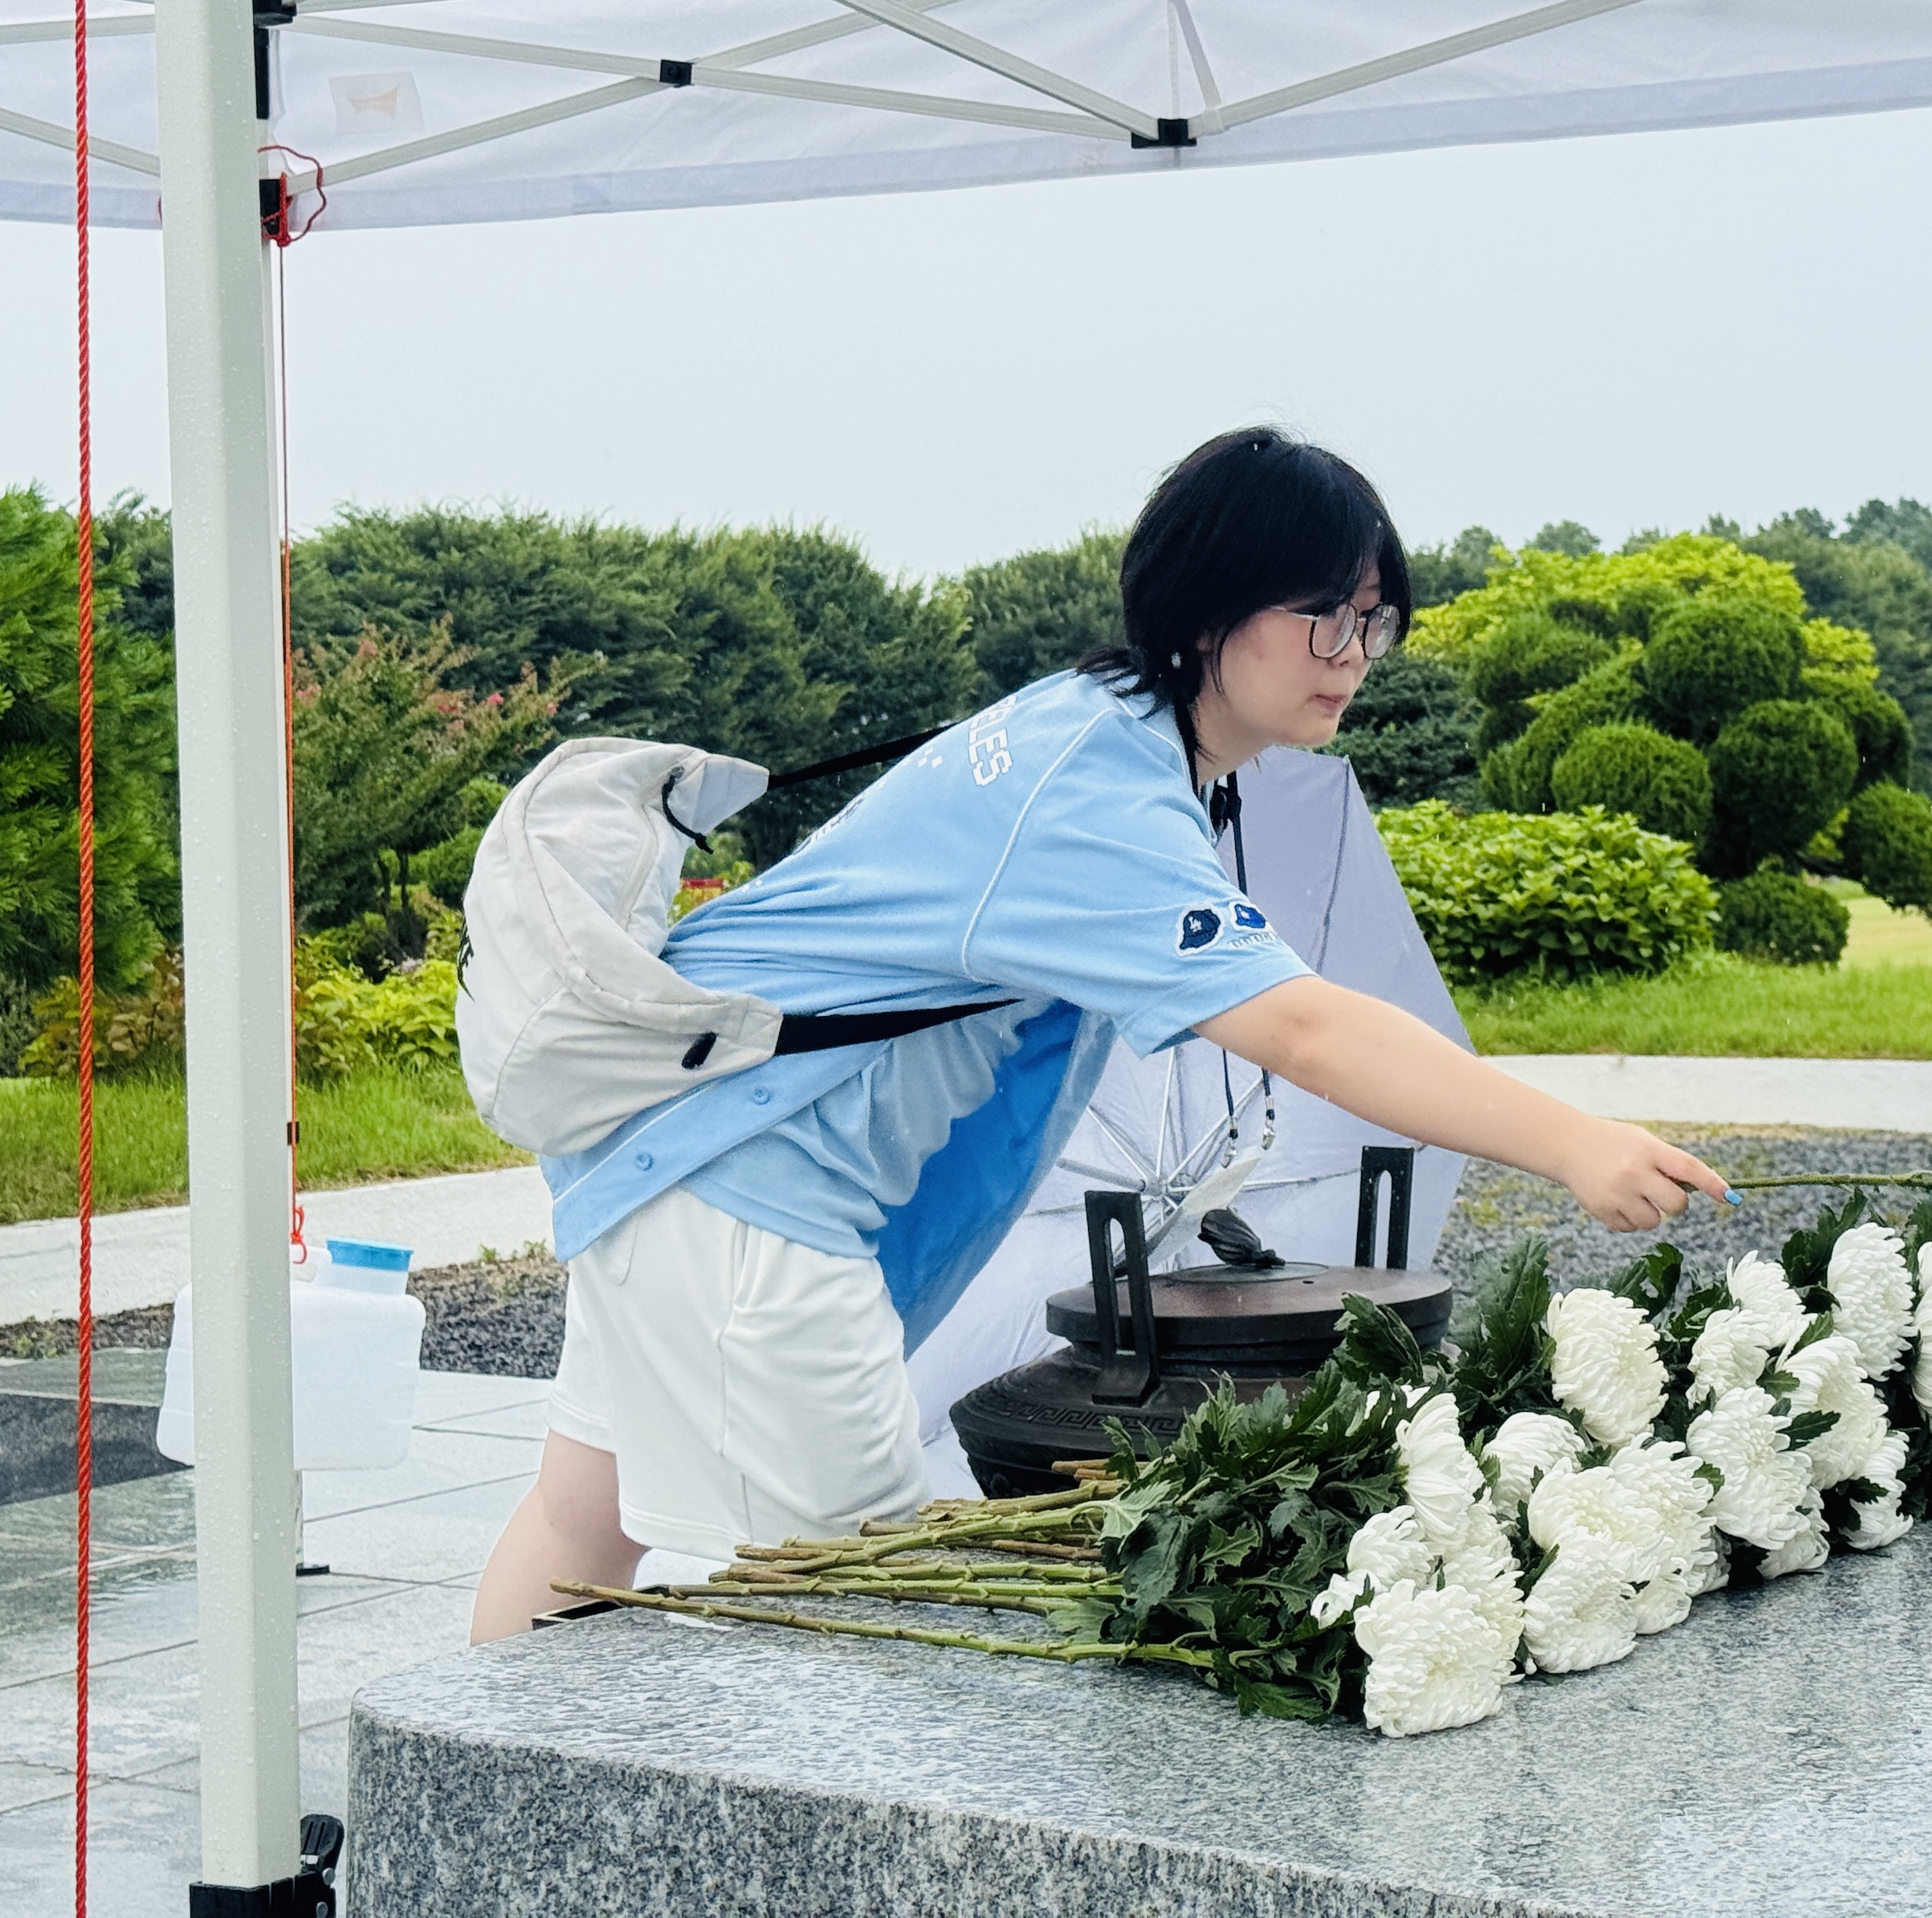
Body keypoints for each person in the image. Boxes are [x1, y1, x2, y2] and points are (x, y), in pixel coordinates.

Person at [471, 429, 1730, 1639]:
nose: (1353, 654)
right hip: (749, 1192)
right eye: (1321, 615)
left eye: (1373, 619)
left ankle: (467, 1784)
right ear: (1208, 606)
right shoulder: (1098, 795)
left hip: (674, 1151)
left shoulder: (1090, 725)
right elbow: (1305, 1028)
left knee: (587, 1521)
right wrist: (1573, 1143)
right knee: (873, 1610)